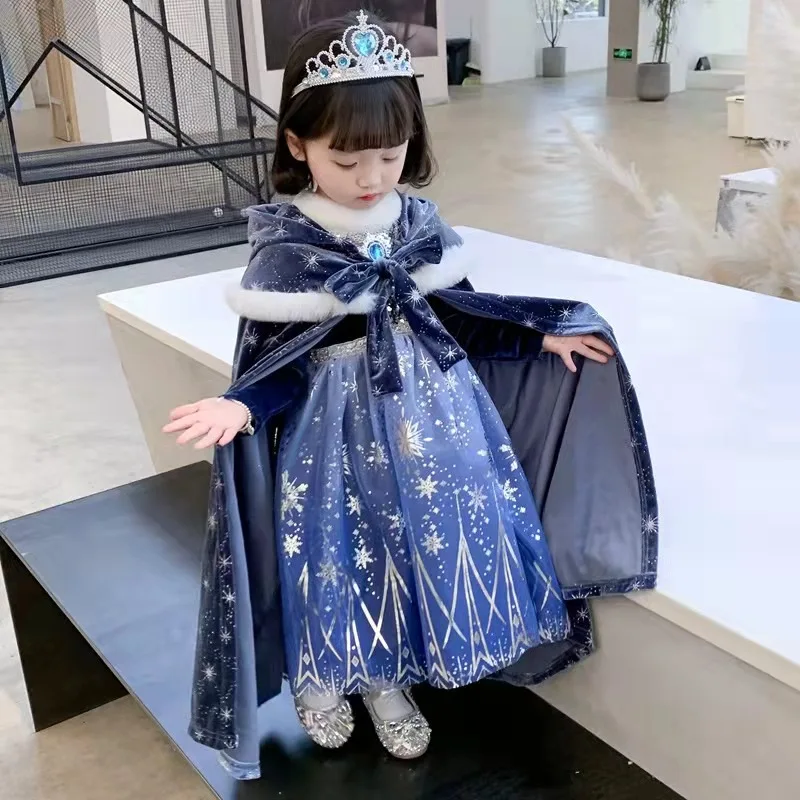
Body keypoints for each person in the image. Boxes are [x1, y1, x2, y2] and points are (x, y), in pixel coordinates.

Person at [163, 10, 658, 780]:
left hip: (432, 423)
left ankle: (387, 680)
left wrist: (536, 337)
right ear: (297, 145)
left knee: (408, 551)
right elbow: (280, 359)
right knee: (337, 554)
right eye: (346, 159)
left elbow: (457, 313)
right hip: (331, 440)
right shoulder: (290, 245)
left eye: (389, 157)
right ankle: (325, 673)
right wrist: (244, 405)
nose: (371, 179)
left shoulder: (416, 221)